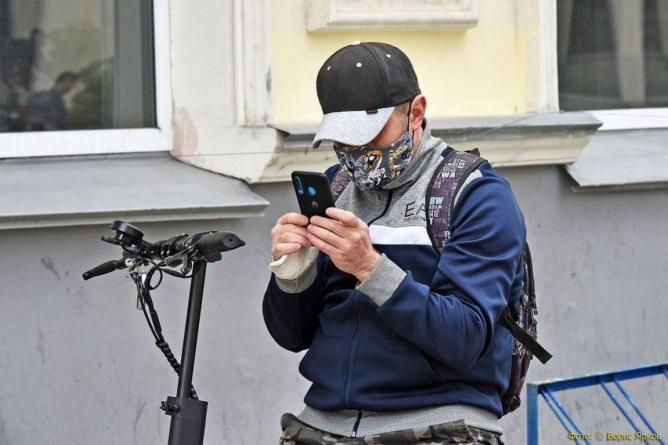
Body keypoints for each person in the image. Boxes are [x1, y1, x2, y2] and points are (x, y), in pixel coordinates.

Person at [262, 41, 526, 445]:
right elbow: (291, 336)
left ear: (415, 112)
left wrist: (369, 267)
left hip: (438, 424)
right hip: (321, 423)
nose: (356, 152)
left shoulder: (477, 195)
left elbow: (465, 338)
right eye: (343, 140)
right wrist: (293, 275)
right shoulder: (336, 186)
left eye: (368, 135)